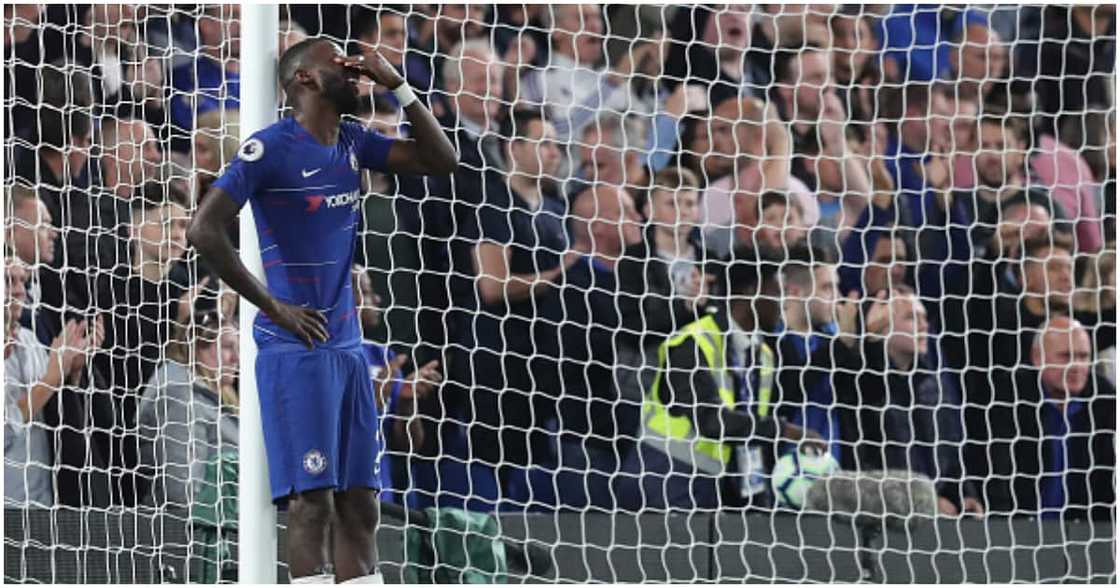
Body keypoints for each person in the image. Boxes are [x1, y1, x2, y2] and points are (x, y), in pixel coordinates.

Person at [187, 38, 455, 583]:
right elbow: (202, 228)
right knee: (313, 504)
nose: (352, 68)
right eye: (339, 61)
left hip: (348, 349)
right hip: (296, 350)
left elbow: (442, 159)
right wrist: (273, 306)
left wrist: (396, 84)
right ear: (305, 79)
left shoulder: (354, 141)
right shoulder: (270, 149)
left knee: (362, 504)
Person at [618, 247, 824, 511]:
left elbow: (750, 427)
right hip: (665, 477)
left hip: (718, 485)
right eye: (777, 289)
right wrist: (786, 431)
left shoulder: (763, 354)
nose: (784, 300)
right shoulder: (691, 343)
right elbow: (711, 421)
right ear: (752, 291)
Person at [989, 317, 1115, 519]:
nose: (1077, 366)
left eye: (1084, 357)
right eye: (1066, 356)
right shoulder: (1010, 396)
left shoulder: (1104, 400)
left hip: (1086, 533)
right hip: (1020, 530)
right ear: (1037, 358)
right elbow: (998, 474)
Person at [5, 255, 104, 506]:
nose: (19, 291)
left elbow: (50, 394)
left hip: (42, 499)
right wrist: (53, 375)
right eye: (8, 281)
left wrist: (73, 369)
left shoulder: (28, 340)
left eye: (22, 282)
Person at [352, 265, 441, 506]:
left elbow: (409, 446)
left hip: (383, 497)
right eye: (366, 291)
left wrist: (406, 402)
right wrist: (376, 398)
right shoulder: (322, 355)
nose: (377, 298)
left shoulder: (382, 356)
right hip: (342, 494)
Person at [137, 308, 239, 508]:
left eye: (238, 348)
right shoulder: (178, 393)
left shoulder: (209, 395)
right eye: (227, 347)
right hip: (195, 533)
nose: (236, 358)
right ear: (196, 346)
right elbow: (182, 493)